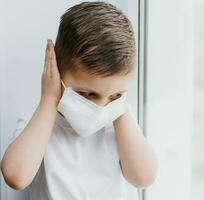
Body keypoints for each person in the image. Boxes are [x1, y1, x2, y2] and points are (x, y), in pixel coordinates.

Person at [0, 2, 158, 199]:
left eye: (115, 95)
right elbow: (16, 176)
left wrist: (120, 106)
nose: (101, 107)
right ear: (57, 72)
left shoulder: (119, 124)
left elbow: (143, 177)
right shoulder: (40, 126)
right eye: (88, 94)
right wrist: (49, 98)